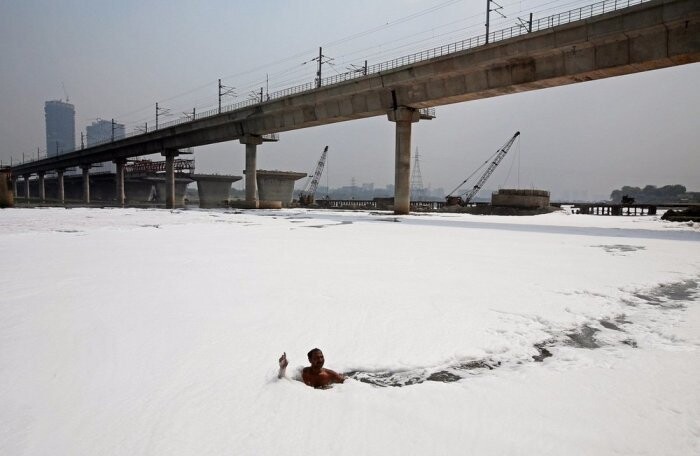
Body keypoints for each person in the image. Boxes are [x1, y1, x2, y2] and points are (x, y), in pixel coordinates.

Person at [278, 348, 345, 388]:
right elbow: (283, 379)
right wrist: (282, 368)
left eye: (321, 357)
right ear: (310, 360)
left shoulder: (330, 375)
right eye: (316, 358)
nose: (320, 360)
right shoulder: (302, 372)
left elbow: (346, 383)